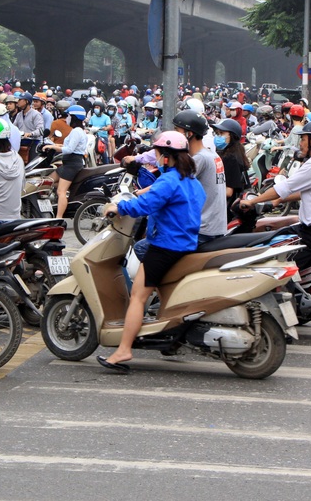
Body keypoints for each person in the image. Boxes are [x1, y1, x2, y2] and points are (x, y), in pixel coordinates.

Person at [97, 131, 206, 372]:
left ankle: (124, 350)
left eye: (156, 153)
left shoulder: (169, 181)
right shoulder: (191, 181)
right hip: (187, 244)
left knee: (138, 296)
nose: (155, 158)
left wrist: (119, 206)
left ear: (166, 157)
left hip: (166, 246)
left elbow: (144, 206)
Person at [239, 120, 311, 271]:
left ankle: (288, 293)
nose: (300, 143)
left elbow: (283, 187)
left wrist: (253, 201)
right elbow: (307, 192)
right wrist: (278, 201)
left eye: (303, 139)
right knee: (277, 231)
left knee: (278, 269)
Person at [172, 110, 227, 245]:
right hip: (215, 226)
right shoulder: (211, 154)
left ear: (188, 134)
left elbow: (171, 186)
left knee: (143, 248)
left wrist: (139, 194)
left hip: (203, 229)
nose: (174, 135)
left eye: (176, 131)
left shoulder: (199, 159)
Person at [44, 104, 88, 218]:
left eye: (68, 116)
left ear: (74, 117)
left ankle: (58, 218)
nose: (66, 118)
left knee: (61, 191)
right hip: (68, 164)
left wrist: (53, 147)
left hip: (71, 165)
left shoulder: (77, 131)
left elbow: (69, 149)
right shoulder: (77, 131)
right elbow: (67, 145)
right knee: (47, 182)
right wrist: (54, 145)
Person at [211, 119, 249, 215]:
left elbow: (228, 191)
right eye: (217, 133)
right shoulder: (234, 152)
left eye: (222, 133)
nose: (218, 136)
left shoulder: (230, 158)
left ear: (232, 136)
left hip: (227, 210)